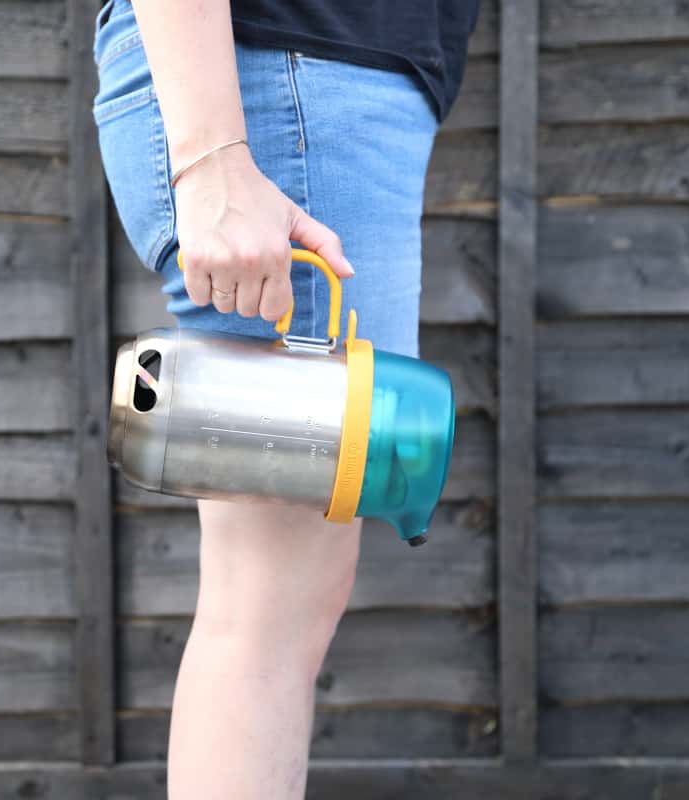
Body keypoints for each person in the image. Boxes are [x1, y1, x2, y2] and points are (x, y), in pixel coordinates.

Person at [92, 1, 479, 796]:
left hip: (303, 92)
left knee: (278, 603)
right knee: (268, 607)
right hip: (288, 94)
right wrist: (214, 160)